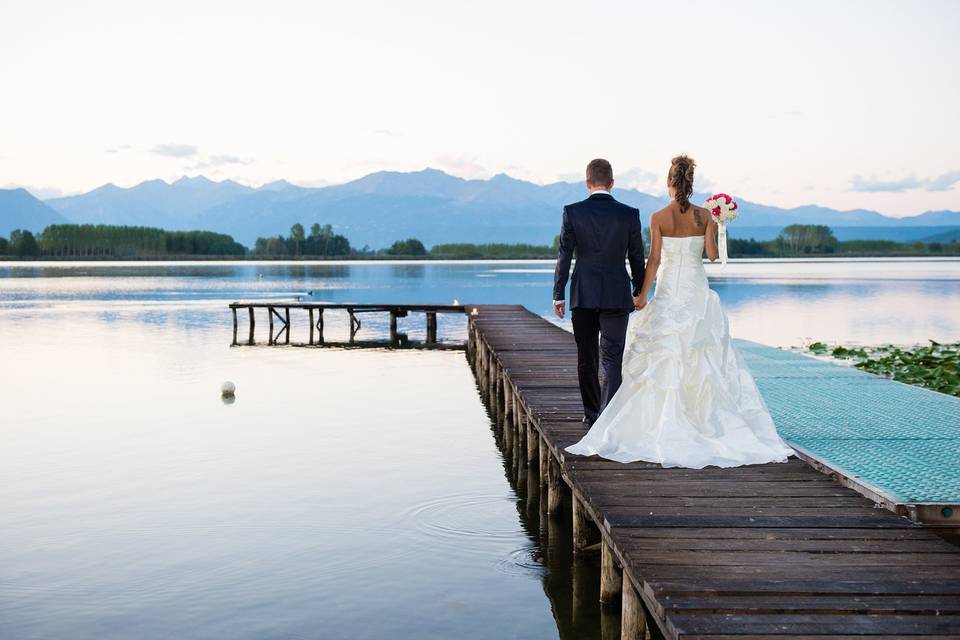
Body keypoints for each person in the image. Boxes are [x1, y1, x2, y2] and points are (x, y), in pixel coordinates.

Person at [564, 155, 794, 468]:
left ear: (670, 183)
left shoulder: (658, 216)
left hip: (670, 292)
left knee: (662, 356)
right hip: (696, 293)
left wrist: (642, 293)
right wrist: (716, 225)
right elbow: (711, 256)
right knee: (705, 358)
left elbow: (655, 260)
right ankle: (706, 422)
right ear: (690, 183)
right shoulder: (704, 216)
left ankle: (651, 423)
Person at [553, 158, 646, 426]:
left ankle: (592, 414)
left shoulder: (572, 212)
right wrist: (639, 290)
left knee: (587, 357)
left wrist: (558, 293)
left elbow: (564, 256)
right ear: (612, 183)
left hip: (583, 295)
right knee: (612, 358)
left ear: (587, 182)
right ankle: (610, 419)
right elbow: (636, 258)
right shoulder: (629, 214)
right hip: (617, 294)